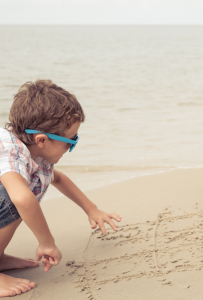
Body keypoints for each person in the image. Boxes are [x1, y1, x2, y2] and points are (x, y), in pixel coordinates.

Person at [0, 80, 122, 297]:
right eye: (71, 141)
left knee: (29, 189)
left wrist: (91, 209)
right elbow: (22, 199)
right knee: (16, 197)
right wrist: (47, 243)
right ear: (42, 140)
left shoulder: (34, 152)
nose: (72, 145)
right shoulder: (9, 155)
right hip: (14, 195)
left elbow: (57, 178)